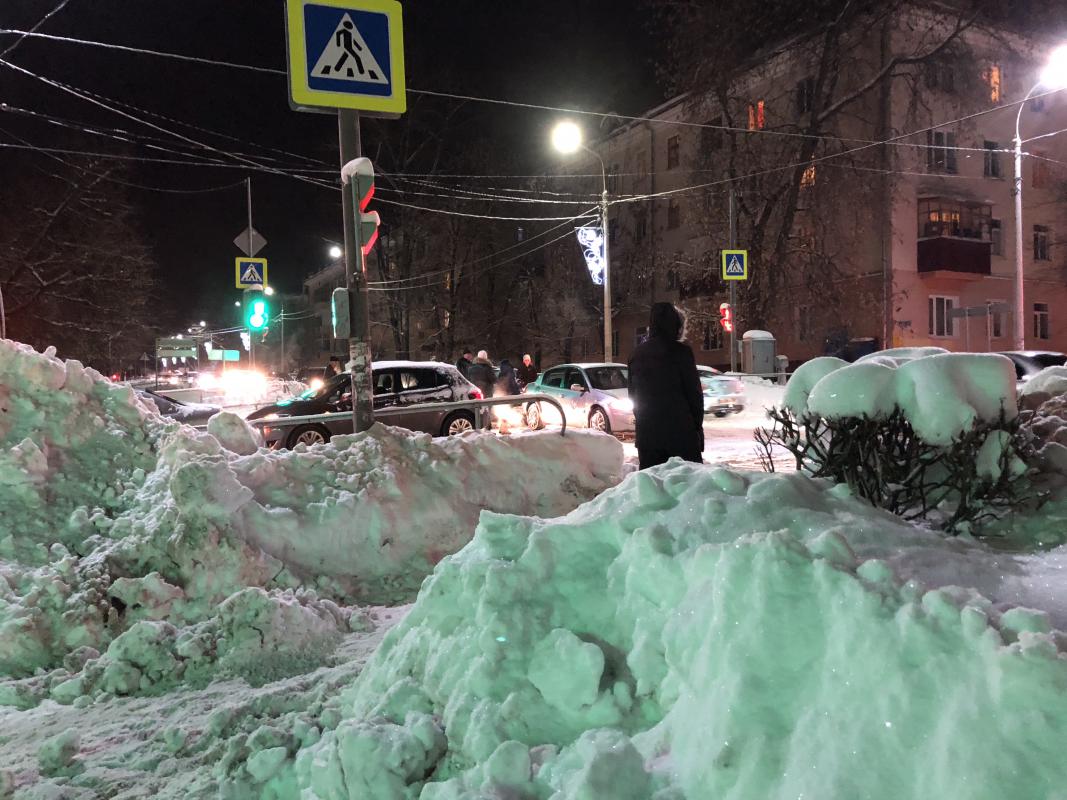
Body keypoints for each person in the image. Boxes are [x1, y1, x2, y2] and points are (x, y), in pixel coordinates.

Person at [627, 302, 704, 470]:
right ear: (676, 325)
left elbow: (633, 396)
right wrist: (697, 428)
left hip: (648, 437)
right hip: (681, 435)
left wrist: (644, 421)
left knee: (653, 482)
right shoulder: (682, 353)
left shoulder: (636, 354)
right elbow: (694, 395)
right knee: (687, 481)